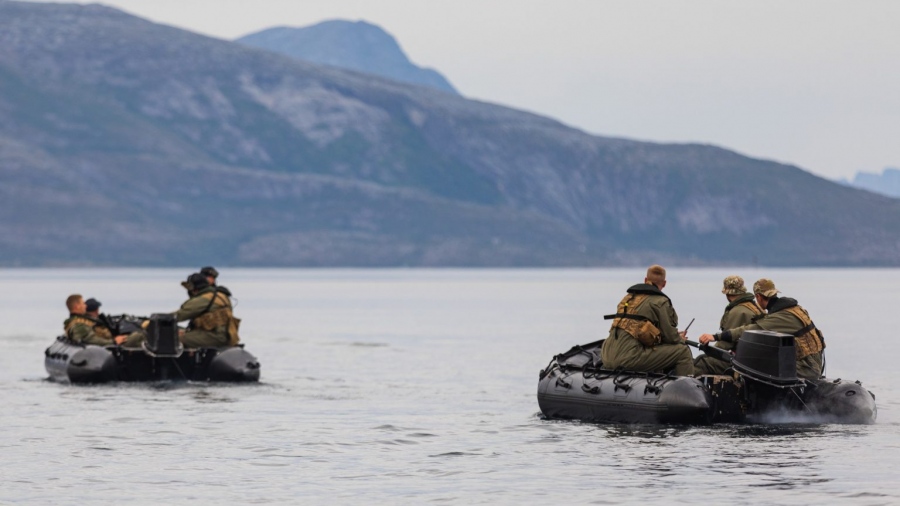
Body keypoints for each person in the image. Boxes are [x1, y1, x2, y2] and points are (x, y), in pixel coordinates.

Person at [698, 278, 825, 381]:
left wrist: (715, 337)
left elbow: (748, 330)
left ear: (758, 297)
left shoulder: (780, 317)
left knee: (751, 365)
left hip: (807, 368)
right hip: (813, 362)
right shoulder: (794, 309)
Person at [601, 265, 693, 376]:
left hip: (606, 356)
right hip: (628, 359)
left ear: (645, 280)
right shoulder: (660, 301)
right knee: (682, 351)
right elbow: (671, 338)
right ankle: (686, 385)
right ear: (664, 283)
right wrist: (680, 339)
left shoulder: (627, 298)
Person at [693, 276, 763, 375]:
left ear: (727, 294)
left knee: (701, 362)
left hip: (741, 363)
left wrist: (709, 350)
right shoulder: (754, 307)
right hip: (754, 360)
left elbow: (725, 344)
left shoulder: (737, 311)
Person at [175, 273, 240, 348]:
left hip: (215, 336)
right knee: (177, 329)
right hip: (227, 336)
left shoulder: (203, 299)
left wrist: (164, 318)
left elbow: (180, 315)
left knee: (173, 338)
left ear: (194, 289)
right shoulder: (221, 296)